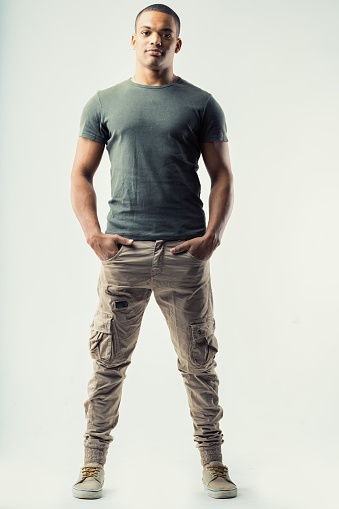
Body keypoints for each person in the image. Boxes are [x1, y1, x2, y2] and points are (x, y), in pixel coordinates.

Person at [70, 3, 237, 500]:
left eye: (165, 34)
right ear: (133, 39)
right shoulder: (104, 102)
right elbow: (81, 173)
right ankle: (91, 465)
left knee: (199, 364)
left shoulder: (201, 103)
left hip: (185, 256)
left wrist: (213, 236)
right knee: (107, 365)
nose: (155, 40)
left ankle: (214, 462)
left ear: (177, 43)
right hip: (124, 256)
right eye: (146, 31)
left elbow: (222, 173)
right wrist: (93, 235)